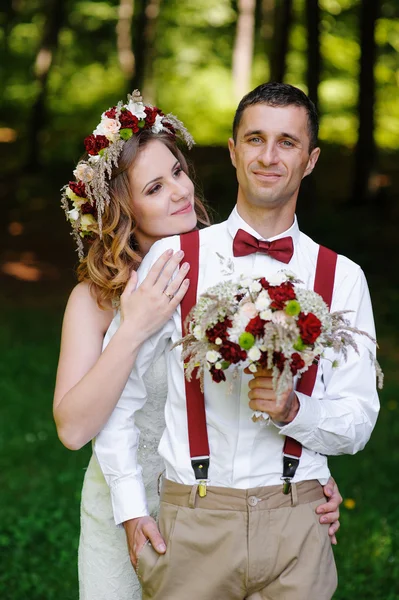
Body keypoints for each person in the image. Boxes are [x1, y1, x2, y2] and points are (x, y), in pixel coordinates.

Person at [94, 82, 379, 600]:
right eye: (255, 139)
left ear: (310, 159)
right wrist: (131, 508)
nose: (268, 157)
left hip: (299, 524)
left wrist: (296, 410)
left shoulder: (343, 278)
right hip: (193, 527)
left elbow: (358, 421)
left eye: (287, 143)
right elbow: (122, 396)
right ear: (232, 150)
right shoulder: (174, 259)